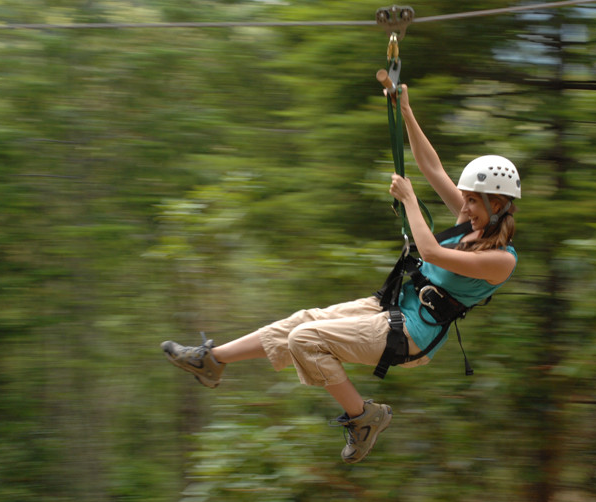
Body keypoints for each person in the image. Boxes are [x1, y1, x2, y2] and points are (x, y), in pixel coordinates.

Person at [160, 85, 521, 464]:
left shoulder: (501, 260)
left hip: (413, 334)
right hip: (391, 308)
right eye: (464, 198)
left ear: (496, 205)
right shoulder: (470, 222)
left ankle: (365, 417)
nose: (462, 206)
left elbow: (430, 250)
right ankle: (212, 361)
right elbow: (431, 167)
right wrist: (405, 113)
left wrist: (411, 201)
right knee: (301, 322)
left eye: (471, 200)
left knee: (306, 339)